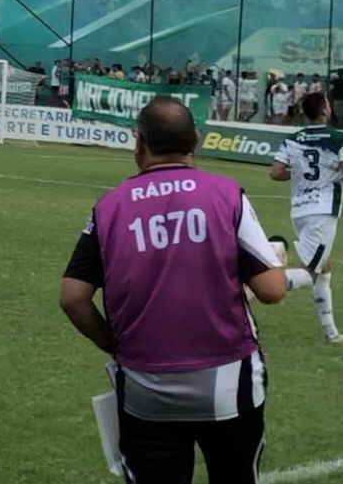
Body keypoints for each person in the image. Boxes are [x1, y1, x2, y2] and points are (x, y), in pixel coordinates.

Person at [61, 97, 286, 483]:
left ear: (139, 143)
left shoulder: (109, 206)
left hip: (147, 388)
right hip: (230, 382)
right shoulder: (227, 194)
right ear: (195, 140)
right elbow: (271, 288)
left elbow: (73, 297)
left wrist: (112, 344)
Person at [269, 91, 343, 343]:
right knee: (311, 272)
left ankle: (330, 332)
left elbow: (276, 173)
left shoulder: (294, 138)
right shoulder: (337, 139)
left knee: (324, 269)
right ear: (324, 110)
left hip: (299, 210)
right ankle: (251, 288)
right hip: (322, 212)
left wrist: (300, 173)